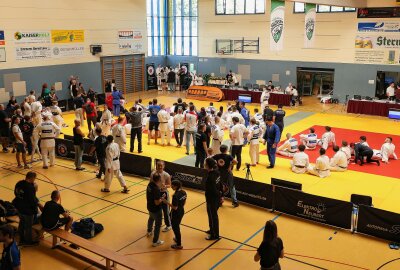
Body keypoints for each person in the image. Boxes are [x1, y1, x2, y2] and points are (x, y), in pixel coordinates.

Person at [12, 172, 40, 246]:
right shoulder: (30, 188)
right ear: (32, 178)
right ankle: (27, 241)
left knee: (22, 223)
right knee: (28, 226)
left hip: (18, 208)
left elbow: (15, 193)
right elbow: (32, 201)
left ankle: (20, 237)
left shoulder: (19, 183)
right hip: (27, 211)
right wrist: (35, 210)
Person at [160, 180, 186, 250]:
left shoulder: (175, 196)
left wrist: (166, 202)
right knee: (177, 225)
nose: (171, 187)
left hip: (176, 213)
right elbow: (184, 202)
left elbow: (175, 207)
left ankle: (178, 244)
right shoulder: (183, 192)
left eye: (173, 186)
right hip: (181, 211)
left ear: (176, 186)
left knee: (175, 228)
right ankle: (177, 238)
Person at [150, 161, 172, 232]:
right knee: (156, 210)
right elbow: (151, 183)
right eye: (158, 165)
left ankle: (168, 225)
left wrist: (165, 186)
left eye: (161, 166)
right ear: (156, 165)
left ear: (164, 166)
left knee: (166, 211)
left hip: (164, 194)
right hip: (156, 193)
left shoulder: (166, 175)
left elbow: (169, 185)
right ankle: (158, 223)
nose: (159, 167)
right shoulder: (153, 174)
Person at [204, 158, 221, 240]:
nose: (204, 164)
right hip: (215, 199)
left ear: (207, 165)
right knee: (211, 216)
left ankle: (215, 235)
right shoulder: (216, 172)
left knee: (213, 216)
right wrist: (221, 196)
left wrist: (219, 196)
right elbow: (220, 185)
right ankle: (212, 230)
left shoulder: (210, 177)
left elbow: (214, 189)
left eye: (205, 163)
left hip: (212, 200)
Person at [147, 172, 165, 247]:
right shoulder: (156, 189)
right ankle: (155, 241)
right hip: (156, 210)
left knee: (151, 218)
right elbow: (157, 202)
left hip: (149, 206)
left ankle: (149, 231)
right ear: (159, 180)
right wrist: (162, 198)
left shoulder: (149, 185)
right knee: (158, 225)